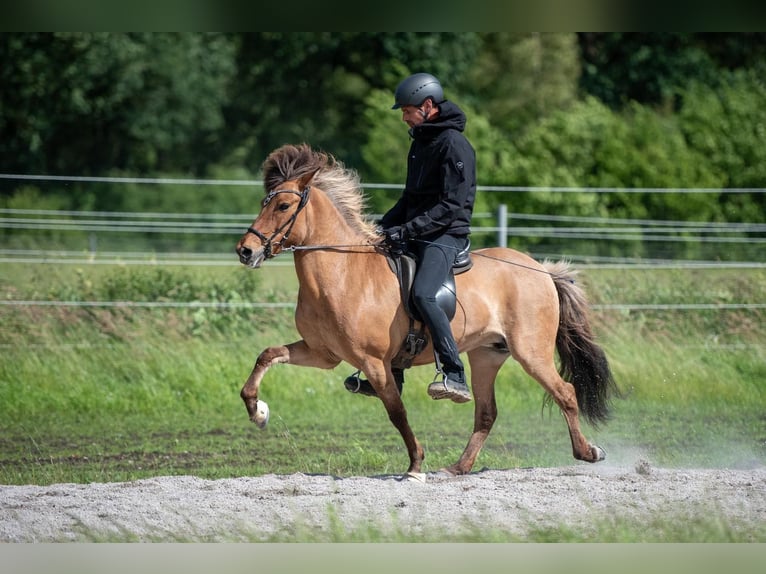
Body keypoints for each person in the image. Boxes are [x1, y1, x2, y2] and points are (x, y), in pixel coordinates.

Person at [380, 72, 477, 404]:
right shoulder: (419, 142)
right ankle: (391, 372)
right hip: (419, 231)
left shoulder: (453, 144)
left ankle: (454, 374)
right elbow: (410, 198)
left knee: (423, 294)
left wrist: (406, 230)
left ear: (428, 106)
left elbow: (452, 205)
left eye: (407, 111)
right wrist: (381, 227)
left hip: (445, 235)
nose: (404, 117)